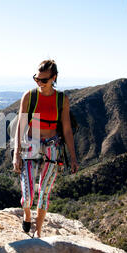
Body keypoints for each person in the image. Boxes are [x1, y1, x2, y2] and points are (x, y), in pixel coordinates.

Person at [12, 59, 79, 238]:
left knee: (44, 192)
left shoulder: (61, 99)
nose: (39, 83)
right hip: (30, 143)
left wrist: (73, 157)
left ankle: (39, 232)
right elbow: (21, 124)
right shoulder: (29, 96)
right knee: (27, 195)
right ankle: (27, 215)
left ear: (54, 78)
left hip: (52, 145)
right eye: (36, 79)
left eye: (43, 80)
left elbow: (66, 129)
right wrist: (16, 153)